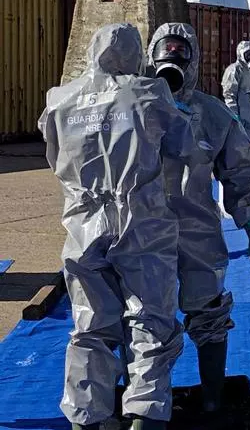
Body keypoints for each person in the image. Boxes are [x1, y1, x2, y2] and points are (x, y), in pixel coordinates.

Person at [39, 23, 193, 430]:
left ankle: (87, 420)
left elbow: (54, 157)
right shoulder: (150, 92)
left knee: (90, 328)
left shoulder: (59, 99)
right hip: (141, 223)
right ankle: (144, 419)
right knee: (151, 328)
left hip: (83, 225)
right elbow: (182, 144)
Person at [147, 23, 250, 419]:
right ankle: (146, 409)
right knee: (146, 321)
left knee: (210, 314)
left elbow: (238, 174)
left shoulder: (213, 114)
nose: (172, 66)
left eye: (180, 56)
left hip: (196, 233)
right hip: (143, 235)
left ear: (193, 60)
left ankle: (213, 402)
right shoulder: (132, 107)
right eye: (166, 57)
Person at [221, 40, 250, 142]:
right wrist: (234, 114)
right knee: (238, 143)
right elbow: (229, 94)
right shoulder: (234, 70)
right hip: (239, 115)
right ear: (240, 54)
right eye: (247, 53)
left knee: (249, 142)